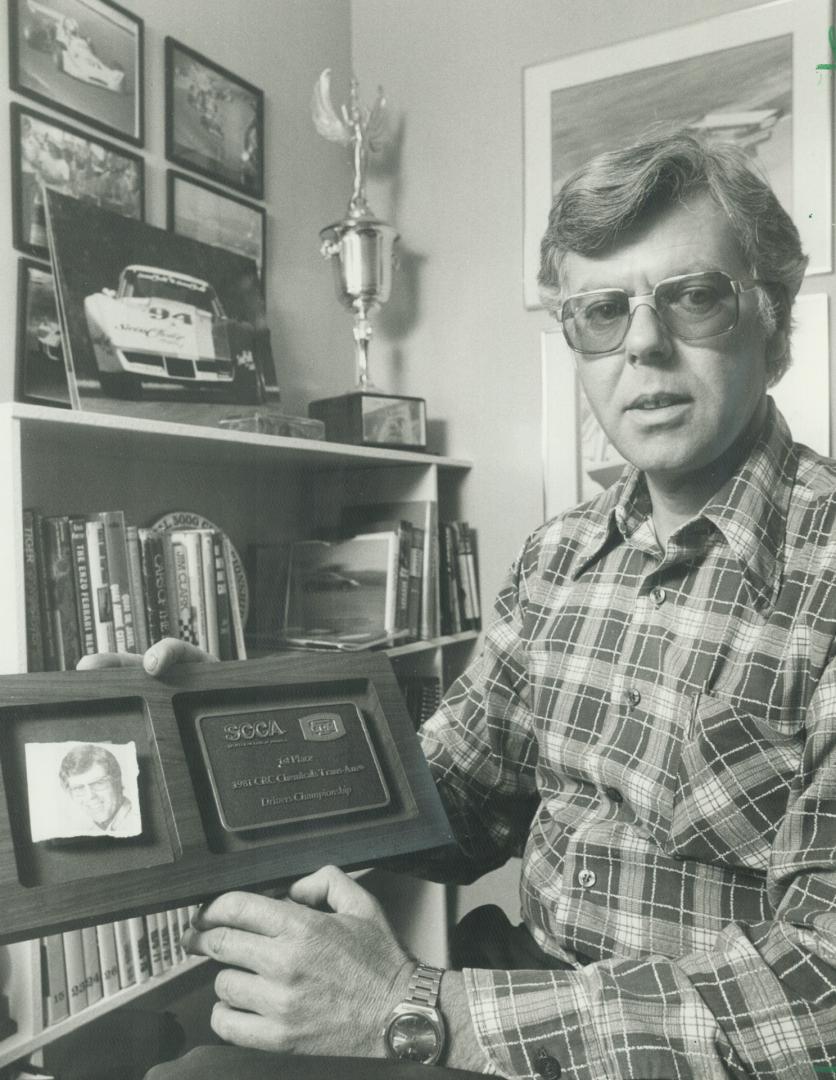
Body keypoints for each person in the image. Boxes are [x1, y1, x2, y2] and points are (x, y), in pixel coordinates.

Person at [83, 130, 836, 1078]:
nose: (642, 341)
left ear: (772, 328)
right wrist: (222, 736)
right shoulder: (560, 555)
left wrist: (413, 1008)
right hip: (505, 1015)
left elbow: (820, 998)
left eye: (691, 297)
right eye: (601, 311)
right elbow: (445, 798)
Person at [59, 743, 137, 836]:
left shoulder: (135, 823)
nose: (90, 796)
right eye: (79, 788)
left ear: (117, 781)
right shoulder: (89, 833)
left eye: (98, 783)